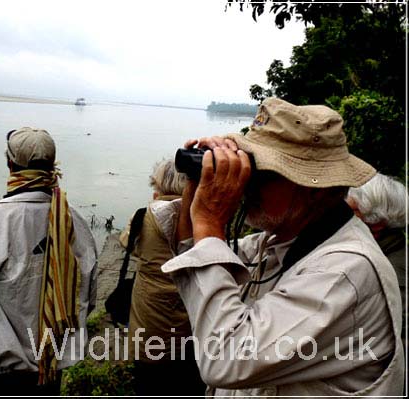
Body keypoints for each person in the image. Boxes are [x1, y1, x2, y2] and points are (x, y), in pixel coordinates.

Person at [161, 97, 404, 396]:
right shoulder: (282, 240)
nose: (247, 182)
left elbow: (224, 358)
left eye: (262, 173)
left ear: (315, 189)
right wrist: (198, 185)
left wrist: (210, 219)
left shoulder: (345, 272)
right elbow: (194, 253)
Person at [0, 127, 98, 396]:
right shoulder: (74, 223)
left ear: (10, 164)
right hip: (50, 374)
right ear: (52, 165)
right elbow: (86, 297)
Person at [119, 159, 205, 396]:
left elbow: (128, 244)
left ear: (158, 184)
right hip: (192, 322)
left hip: (150, 323)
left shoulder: (144, 217)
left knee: (150, 384)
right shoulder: (204, 218)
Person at [346, 173, 407, 348]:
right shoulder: (367, 250)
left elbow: (389, 333)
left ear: (377, 222)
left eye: (351, 211)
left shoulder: (394, 268)